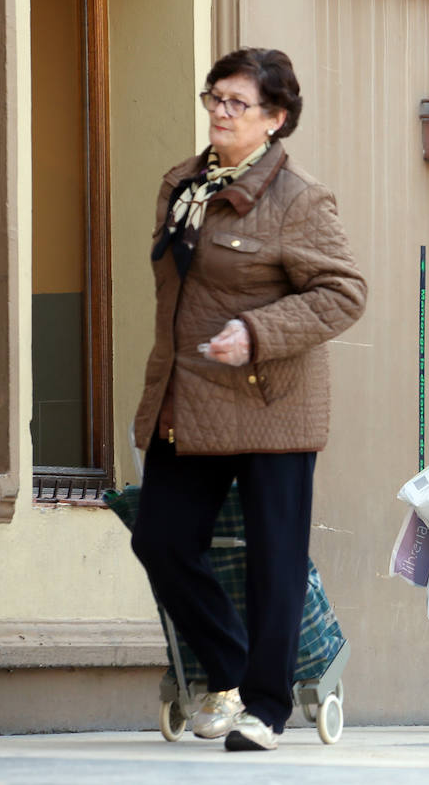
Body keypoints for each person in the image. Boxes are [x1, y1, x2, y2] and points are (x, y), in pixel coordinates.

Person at [129, 48, 367, 750]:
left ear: (275, 118)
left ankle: (266, 704)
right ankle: (226, 667)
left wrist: (258, 332)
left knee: (274, 558)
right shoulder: (183, 183)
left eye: (238, 103)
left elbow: (344, 292)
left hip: (272, 402)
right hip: (191, 395)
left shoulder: (298, 197)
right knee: (160, 538)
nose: (220, 113)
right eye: (215, 98)